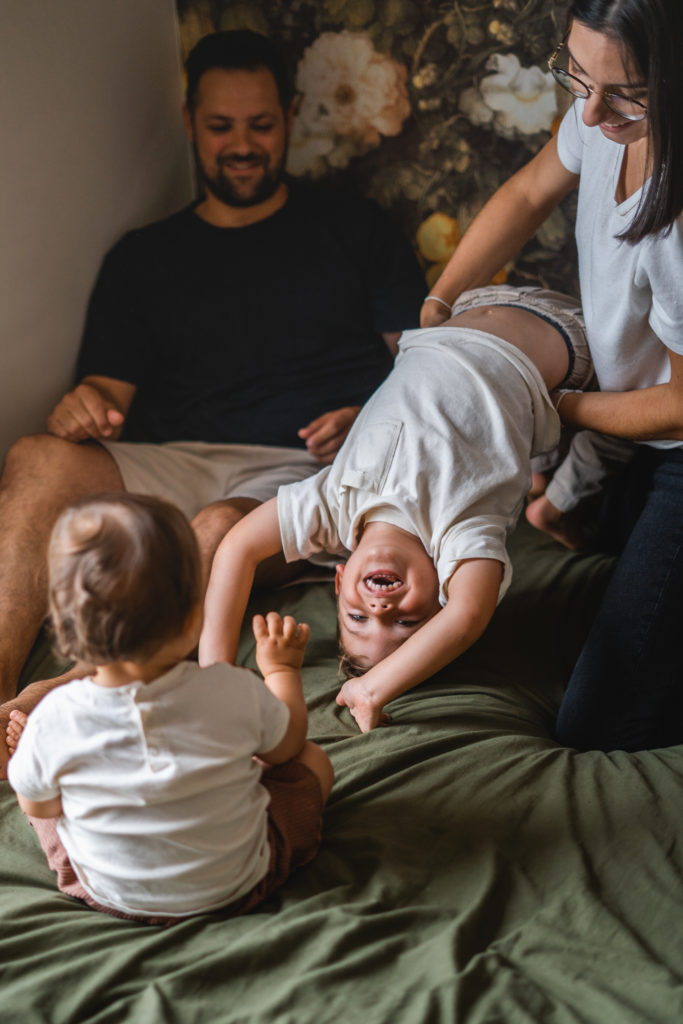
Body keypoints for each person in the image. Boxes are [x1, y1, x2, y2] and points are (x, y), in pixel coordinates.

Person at [0, 29, 424, 773]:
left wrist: (370, 415)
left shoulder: (356, 229)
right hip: (174, 457)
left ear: (289, 118)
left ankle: (72, 690)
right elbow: (107, 394)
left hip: (301, 466)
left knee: (219, 527)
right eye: (221, 126)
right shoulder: (142, 256)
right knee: (39, 455)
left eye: (260, 125)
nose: (242, 145)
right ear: (190, 122)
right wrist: (82, 408)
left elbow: (422, 366)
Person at [420, 0, 683, 752]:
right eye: (578, 78)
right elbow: (527, 193)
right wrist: (441, 300)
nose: (592, 113)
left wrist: (558, 405)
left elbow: (678, 404)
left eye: (627, 93)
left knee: (597, 724)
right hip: (627, 426)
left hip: (670, 433)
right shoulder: (600, 113)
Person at [198, 285, 595, 732]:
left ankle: (545, 482)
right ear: (444, 590)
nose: (380, 609)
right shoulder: (460, 532)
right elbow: (468, 616)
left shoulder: (332, 505)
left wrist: (216, 673)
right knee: (615, 430)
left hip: (457, 313)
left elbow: (237, 548)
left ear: (339, 580)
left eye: (357, 617)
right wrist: (373, 690)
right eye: (406, 621)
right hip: (567, 336)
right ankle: (552, 485)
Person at [6, 493, 333, 923]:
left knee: (37, 789)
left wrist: (36, 762)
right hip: (236, 886)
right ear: (193, 619)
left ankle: (37, 770)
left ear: (66, 633)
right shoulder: (232, 688)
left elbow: (41, 809)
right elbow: (288, 746)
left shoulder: (53, 719)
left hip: (109, 892)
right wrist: (282, 672)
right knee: (312, 760)